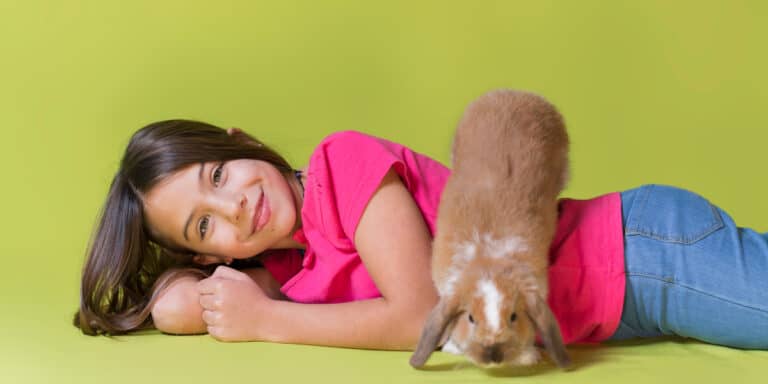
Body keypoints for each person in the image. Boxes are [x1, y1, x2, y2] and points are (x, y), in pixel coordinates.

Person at [74, 119, 768, 351]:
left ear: (238, 142)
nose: (236, 207)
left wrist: (267, 323)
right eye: (205, 225)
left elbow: (420, 314)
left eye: (220, 174)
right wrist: (213, 289)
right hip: (623, 306)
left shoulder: (339, 166)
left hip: (644, 255)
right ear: (207, 255)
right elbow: (174, 308)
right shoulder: (298, 266)